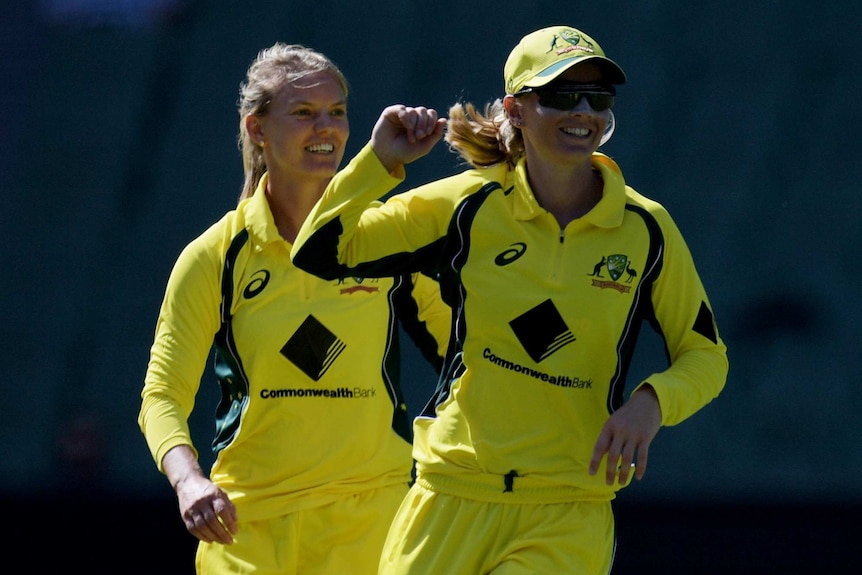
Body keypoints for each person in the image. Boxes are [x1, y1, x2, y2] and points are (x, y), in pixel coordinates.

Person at [291, 25, 729, 574]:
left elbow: (706, 355)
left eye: (598, 97)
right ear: (516, 110)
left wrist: (653, 401)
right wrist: (378, 162)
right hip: (449, 496)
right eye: (561, 96)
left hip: (567, 511)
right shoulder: (467, 206)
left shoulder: (646, 229)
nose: (584, 111)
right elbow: (321, 251)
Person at [137, 42, 450, 575]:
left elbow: (464, 352)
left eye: (337, 113)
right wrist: (189, 480)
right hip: (245, 527)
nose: (324, 129)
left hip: (372, 518)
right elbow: (162, 394)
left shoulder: (390, 237)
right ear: (257, 129)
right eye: (303, 114)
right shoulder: (215, 256)